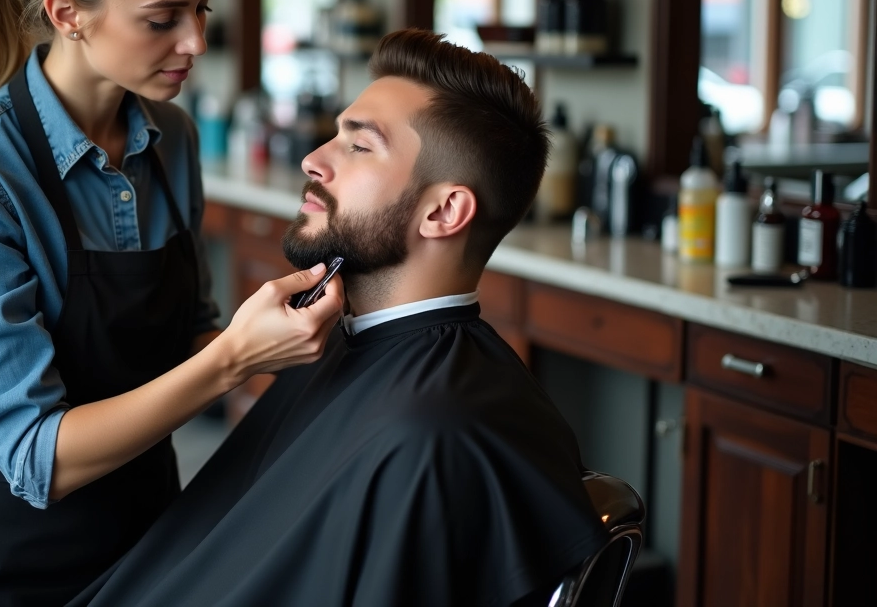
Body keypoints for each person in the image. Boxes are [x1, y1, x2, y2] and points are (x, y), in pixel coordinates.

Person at [0, 0, 345, 607]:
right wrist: (233, 359)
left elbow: (182, 336)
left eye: (202, 7)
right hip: (4, 564)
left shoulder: (174, 140)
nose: (196, 42)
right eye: (163, 19)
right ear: (67, 13)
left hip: (147, 536)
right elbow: (36, 457)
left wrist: (285, 337)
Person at [70, 29, 609, 607]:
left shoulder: (435, 433)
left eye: (359, 146)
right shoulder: (339, 349)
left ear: (444, 210)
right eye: (335, 135)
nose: (312, 159)